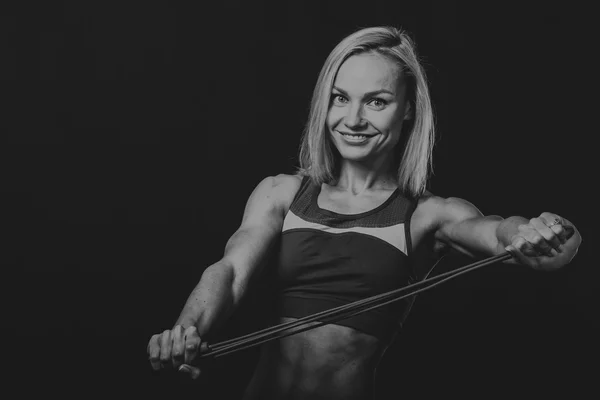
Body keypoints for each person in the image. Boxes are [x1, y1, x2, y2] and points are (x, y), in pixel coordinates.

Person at [147, 26, 581, 399]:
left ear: (408, 108)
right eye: (340, 98)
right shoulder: (280, 193)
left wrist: (539, 231)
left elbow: (501, 232)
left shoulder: (428, 215)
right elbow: (230, 272)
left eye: (376, 102)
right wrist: (186, 331)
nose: (352, 119)